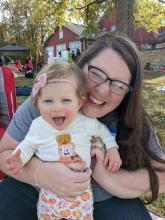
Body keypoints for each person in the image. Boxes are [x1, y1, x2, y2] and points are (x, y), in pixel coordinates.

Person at [0, 32, 165, 220]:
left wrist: (105, 177)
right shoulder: (46, 102)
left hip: (107, 201)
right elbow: (4, 154)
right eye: (96, 73)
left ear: (128, 92)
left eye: (118, 84)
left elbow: (162, 175)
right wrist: (41, 173)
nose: (102, 90)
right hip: (37, 192)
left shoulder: (132, 119)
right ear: (80, 66)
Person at [6, 61, 121, 220]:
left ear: (79, 102)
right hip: (48, 193)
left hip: (80, 196)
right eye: (48, 101)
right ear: (37, 103)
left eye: (66, 100)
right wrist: (19, 158)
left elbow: (104, 133)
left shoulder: (86, 122)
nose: (57, 108)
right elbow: (27, 145)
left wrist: (112, 148)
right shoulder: (39, 126)